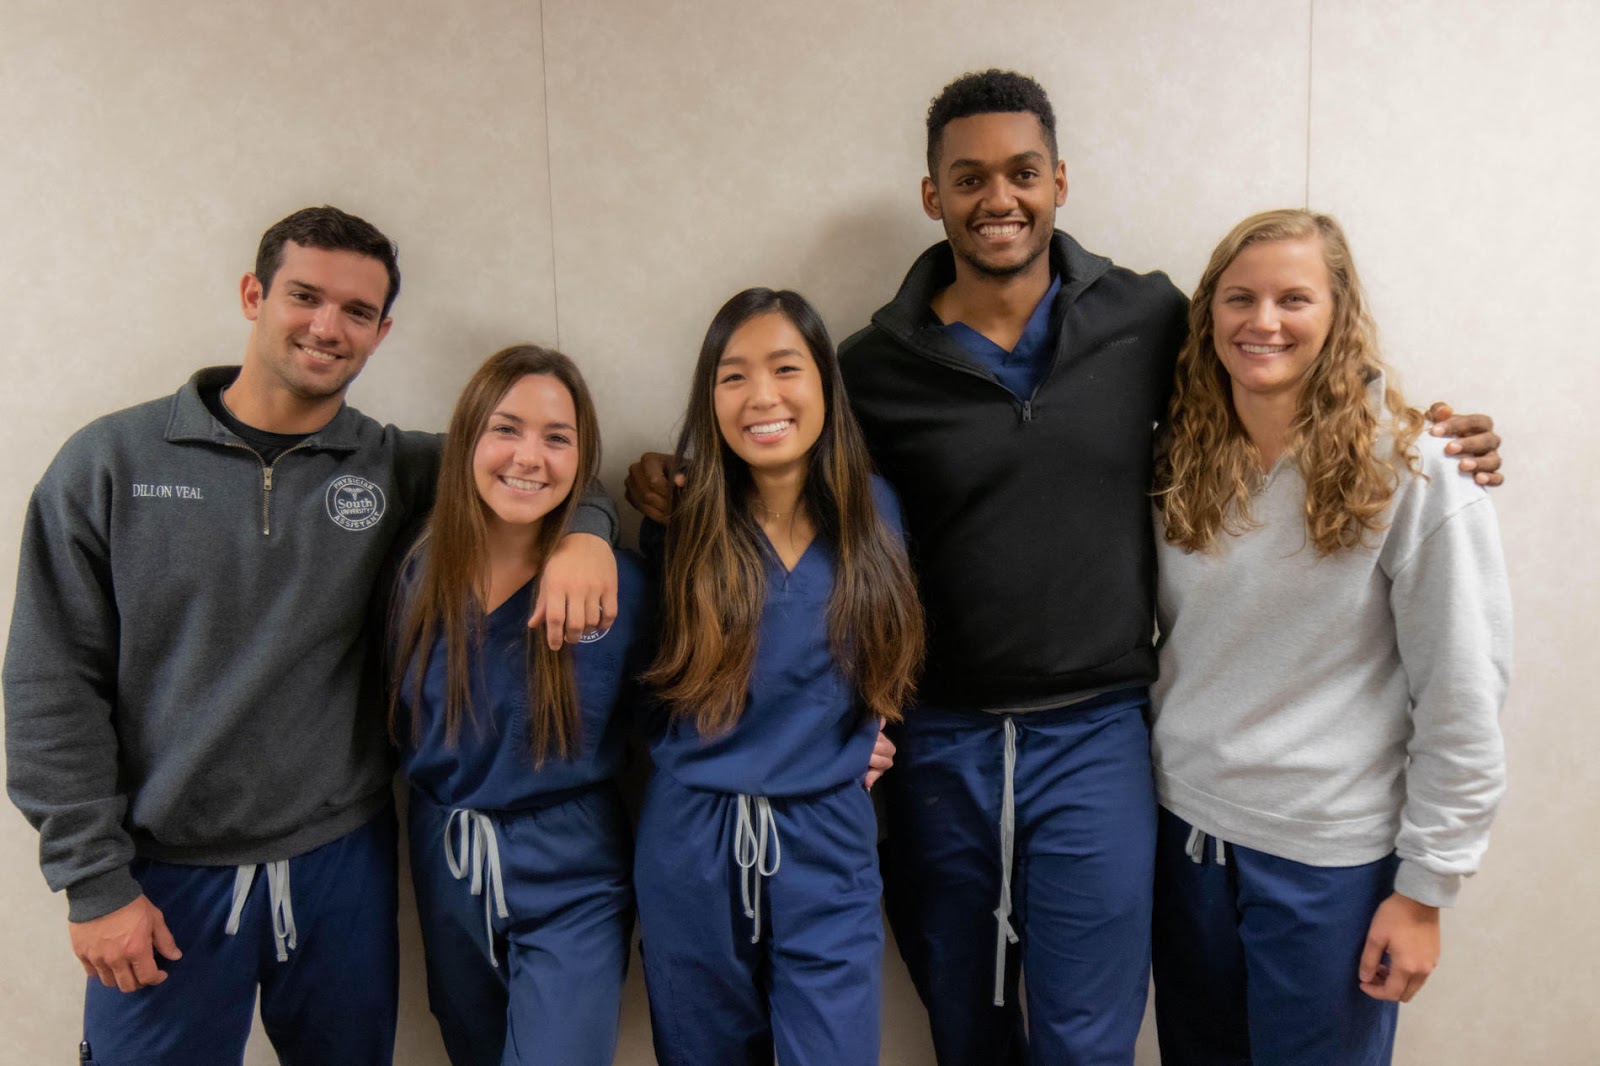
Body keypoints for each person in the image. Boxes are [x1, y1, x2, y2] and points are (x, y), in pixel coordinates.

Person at [627, 71, 1505, 1065]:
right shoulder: (871, 367)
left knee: (1089, 1038)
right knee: (966, 1025)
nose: (997, 197)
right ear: (933, 195)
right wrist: (654, 483)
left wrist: (1425, 426)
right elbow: (792, 481)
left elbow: (1275, 356)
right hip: (941, 739)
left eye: (1022, 172)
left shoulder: (1147, 317)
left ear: (1059, 182)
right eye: (969, 178)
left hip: (1100, 733)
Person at [3, 206, 618, 1065]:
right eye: (305, 296)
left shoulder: (391, 465)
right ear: (253, 295)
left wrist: (589, 531)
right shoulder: (111, 464)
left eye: (357, 311)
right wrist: (91, 880)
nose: (328, 327)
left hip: (341, 866)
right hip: (164, 872)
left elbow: (532, 466)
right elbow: (48, 684)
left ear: (381, 332)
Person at [1148, 209, 1509, 1065]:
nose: (1263, 321)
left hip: (1327, 863)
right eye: (1240, 298)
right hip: (1184, 838)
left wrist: (1425, 892)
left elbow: (1462, 698)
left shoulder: (1419, 471)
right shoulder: (1177, 462)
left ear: (1339, 314)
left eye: (1294, 299)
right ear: (1209, 315)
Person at [632, 288, 924, 1066]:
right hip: (693, 840)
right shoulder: (681, 519)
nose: (762, 396)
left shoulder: (875, 511)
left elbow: (888, 650)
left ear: (826, 381)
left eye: (786, 368)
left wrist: (872, 728)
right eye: (733, 376)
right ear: (710, 397)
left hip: (828, 837)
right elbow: (643, 678)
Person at [390, 345, 652, 1066]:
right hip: (449, 856)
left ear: (583, 458)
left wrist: (839, 738)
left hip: (575, 865)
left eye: (557, 437)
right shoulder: (413, 572)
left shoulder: (621, 588)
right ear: (466, 439)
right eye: (505, 429)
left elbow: (697, 707)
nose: (528, 457)